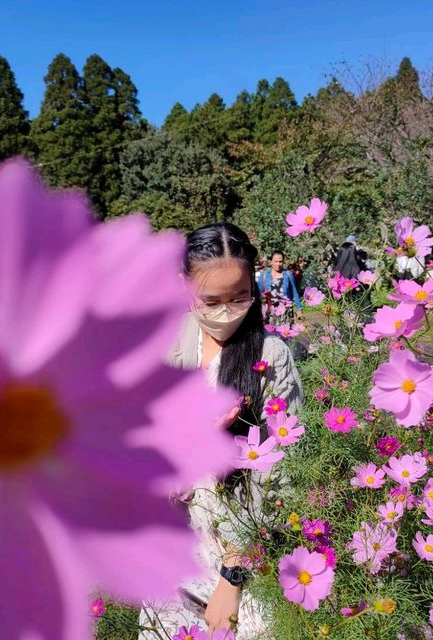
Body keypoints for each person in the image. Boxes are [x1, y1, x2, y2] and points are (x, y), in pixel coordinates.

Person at [140, 222, 303, 640]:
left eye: (240, 297)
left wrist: (232, 578)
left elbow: (284, 473)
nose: (226, 311)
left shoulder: (271, 356)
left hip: (241, 536)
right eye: (210, 300)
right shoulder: (166, 345)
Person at [257, 250, 303, 322]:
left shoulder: (288, 274)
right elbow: (259, 292)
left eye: (280, 261)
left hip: (285, 312)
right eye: (276, 261)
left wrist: (299, 308)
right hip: (270, 312)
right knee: (270, 332)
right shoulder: (264, 275)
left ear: (283, 262)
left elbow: (294, 292)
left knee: (285, 332)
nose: (278, 264)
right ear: (271, 261)